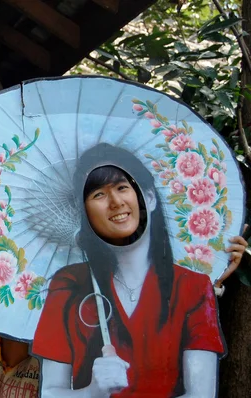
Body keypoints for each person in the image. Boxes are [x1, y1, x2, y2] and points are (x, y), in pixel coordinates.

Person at [30, 143, 248, 398]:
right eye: (98, 194)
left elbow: (201, 394)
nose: (115, 202)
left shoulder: (193, 288)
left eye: (123, 187)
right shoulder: (68, 284)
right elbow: (50, 392)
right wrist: (92, 392)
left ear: (150, 198)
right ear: (85, 212)